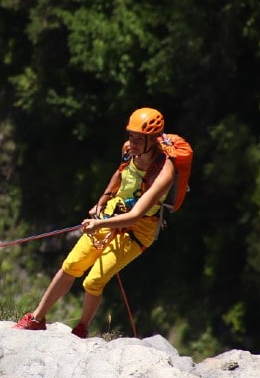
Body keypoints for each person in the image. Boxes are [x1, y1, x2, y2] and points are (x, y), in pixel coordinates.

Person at [13, 107, 175, 337]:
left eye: (140, 138)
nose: (133, 142)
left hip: (139, 228)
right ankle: (37, 318)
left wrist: (98, 224)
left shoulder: (164, 172)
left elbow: (137, 214)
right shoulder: (129, 151)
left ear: (154, 139)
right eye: (131, 136)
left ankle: (81, 329)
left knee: (94, 281)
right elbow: (119, 174)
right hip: (112, 211)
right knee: (71, 266)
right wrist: (102, 201)